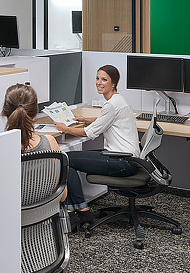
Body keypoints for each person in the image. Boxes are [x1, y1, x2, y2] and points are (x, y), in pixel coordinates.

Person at [54, 64, 140, 230]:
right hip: (126, 157)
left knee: (65, 159)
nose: (99, 83)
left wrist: (64, 128)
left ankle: (79, 210)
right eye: (97, 78)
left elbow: (88, 133)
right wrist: (86, 120)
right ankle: (80, 210)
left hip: (121, 161)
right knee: (67, 160)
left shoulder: (111, 105)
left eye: (104, 79)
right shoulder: (118, 100)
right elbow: (108, 119)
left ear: (113, 83)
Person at [3, 84, 67, 202]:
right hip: (47, 213)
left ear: (5, 113)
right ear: (36, 113)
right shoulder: (50, 142)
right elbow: (62, 196)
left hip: (13, 214)